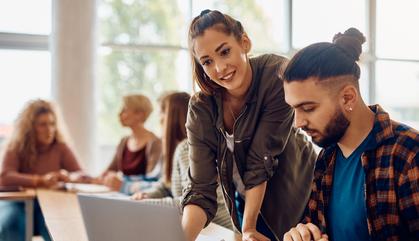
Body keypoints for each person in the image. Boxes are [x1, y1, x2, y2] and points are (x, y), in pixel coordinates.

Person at [181, 9, 317, 241]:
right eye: (207, 62)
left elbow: (260, 160)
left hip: (298, 198)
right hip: (246, 205)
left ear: (244, 42)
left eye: (225, 52)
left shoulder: (276, 76)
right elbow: (200, 189)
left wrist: (248, 228)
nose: (220, 68)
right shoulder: (201, 107)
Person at [282, 28, 419, 241]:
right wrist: (303, 235)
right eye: (293, 109)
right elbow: (317, 228)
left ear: (347, 98)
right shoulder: (326, 159)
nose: (298, 122)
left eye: (308, 108)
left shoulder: (409, 153)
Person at [131, 92, 233, 229]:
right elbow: (166, 185)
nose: (158, 118)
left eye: (161, 112)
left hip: (217, 229)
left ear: (171, 117)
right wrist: (148, 195)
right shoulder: (180, 149)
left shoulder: (187, 148)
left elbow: (193, 198)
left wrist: (149, 204)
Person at [0, 99, 90, 241]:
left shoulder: (61, 147)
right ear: (30, 127)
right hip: (18, 203)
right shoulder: (16, 146)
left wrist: (69, 176)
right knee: (12, 224)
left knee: (58, 227)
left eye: (52, 124)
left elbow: (81, 174)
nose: (49, 130)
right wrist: (40, 180)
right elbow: (5, 177)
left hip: (50, 203)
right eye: (42, 125)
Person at [99, 94, 162, 192]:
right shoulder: (124, 141)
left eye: (124, 110)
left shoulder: (155, 143)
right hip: (121, 195)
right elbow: (108, 172)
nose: (119, 114)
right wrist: (82, 178)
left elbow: (151, 181)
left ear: (139, 114)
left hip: (140, 199)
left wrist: (121, 183)